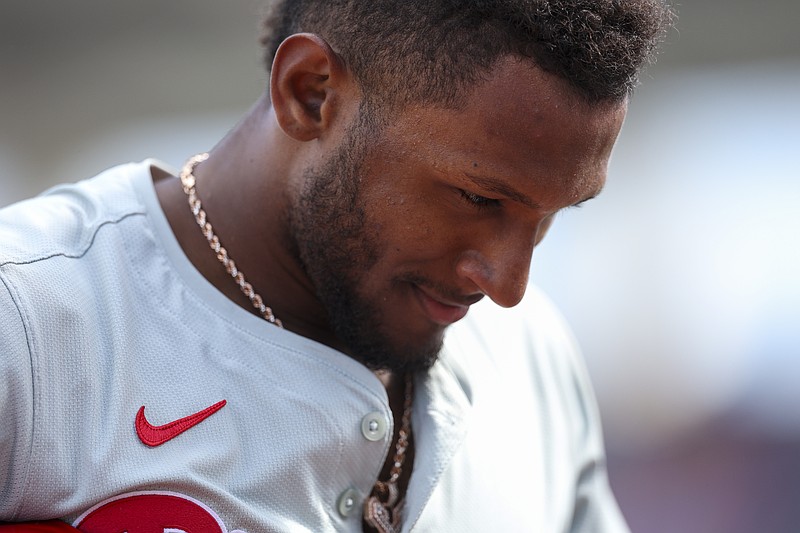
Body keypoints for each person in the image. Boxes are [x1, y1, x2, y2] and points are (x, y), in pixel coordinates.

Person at [0, 0, 672, 531]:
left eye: (554, 216)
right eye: (479, 197)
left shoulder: (534, 358)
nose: (508, 283)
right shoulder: (29, 321)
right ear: (311, 93)